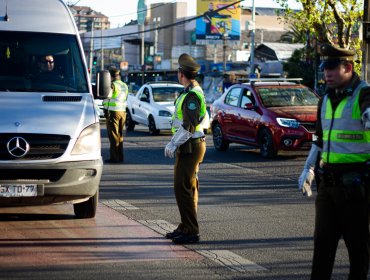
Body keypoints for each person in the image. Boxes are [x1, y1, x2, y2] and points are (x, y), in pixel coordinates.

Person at [298, 43, 370, 279]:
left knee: (358, 250)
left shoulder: (364, 94)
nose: (326, 73)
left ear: (348, 67)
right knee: (322, 247)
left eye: (331, 67)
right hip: (327, 186)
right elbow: (319, 136)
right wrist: (308, 167)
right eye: (324, 67)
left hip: (356, 187)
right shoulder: (326, 98)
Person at [164, 53, 207, 244]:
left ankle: (191, 230)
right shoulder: (189, 92)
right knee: (183, 188)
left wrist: (173, 142)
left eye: (178, 71)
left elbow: (189, 125)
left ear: (182, 73)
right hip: (187, 145)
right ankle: (185, 226)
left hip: (191, 145)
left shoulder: (192, 96)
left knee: (183, 188)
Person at [103, 68, 129, 163]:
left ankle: (114, 158)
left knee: (113, 135)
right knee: (120, 135)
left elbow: (107, 96)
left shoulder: (113, 85)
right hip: (122, 111)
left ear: (111, 76)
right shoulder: (124, 85)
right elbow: (125, 98)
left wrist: (105, 108)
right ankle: (120, 156)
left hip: (113, 112)